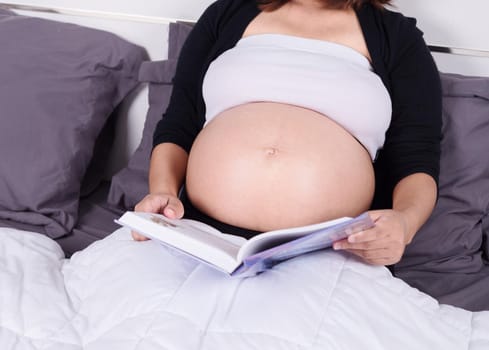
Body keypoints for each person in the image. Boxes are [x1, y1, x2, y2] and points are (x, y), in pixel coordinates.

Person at [132, 0, 442, 267]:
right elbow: (178, 123)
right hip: (197, 233)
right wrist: (163, 192)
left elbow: (416, 160)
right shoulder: (226, 14)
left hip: (331, 251)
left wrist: (405, 223)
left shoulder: (398, 38)